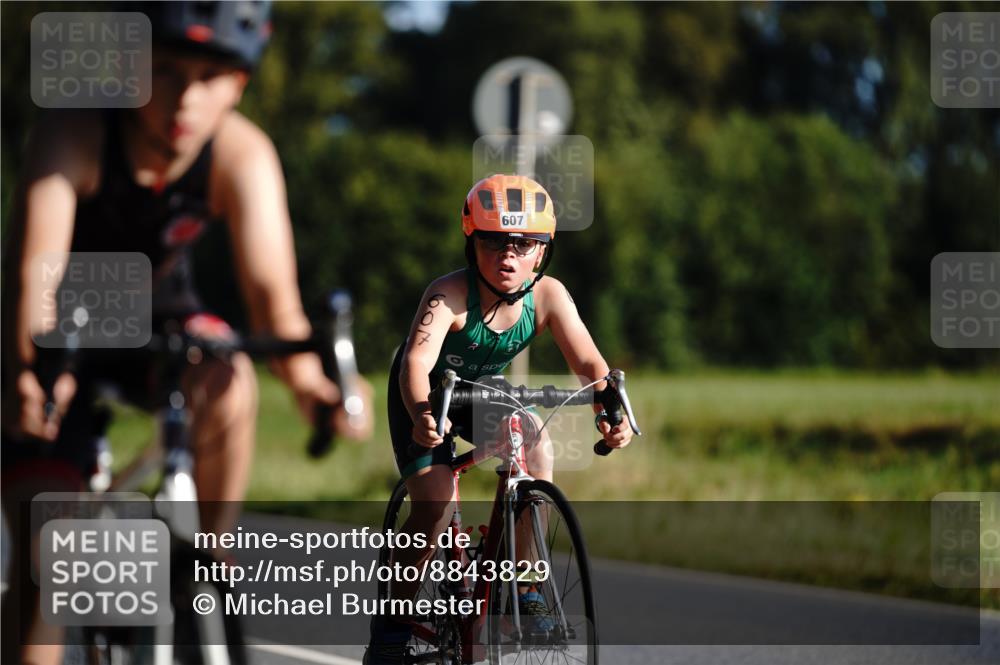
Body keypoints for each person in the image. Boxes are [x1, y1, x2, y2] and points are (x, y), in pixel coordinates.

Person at [1, 3, 372, 663]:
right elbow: (35, 276)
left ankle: (207, 561)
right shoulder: (76, 128)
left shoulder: (242, 152)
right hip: (59, 332)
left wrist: (314, 385)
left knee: (228, 375)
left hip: (161, 319)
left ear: (240, 84)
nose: (186, 98)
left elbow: (274, 303)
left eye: (210, 77)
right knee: (45, 558)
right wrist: (28, 371)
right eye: (166, 69)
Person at [365, 174, 633, 664]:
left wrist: (609, 408)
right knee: (436, 505)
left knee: (535, 443)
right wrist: (422, 415)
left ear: (542, 251)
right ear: (472, 244)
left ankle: (524, 589)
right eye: (493, 242)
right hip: (424, 396)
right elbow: (416, 364)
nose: (507, 256)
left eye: (523, 244)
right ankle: (391, 628)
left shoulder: (548, 296)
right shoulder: (448, 294)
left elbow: (590, 364)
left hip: (482, 391)